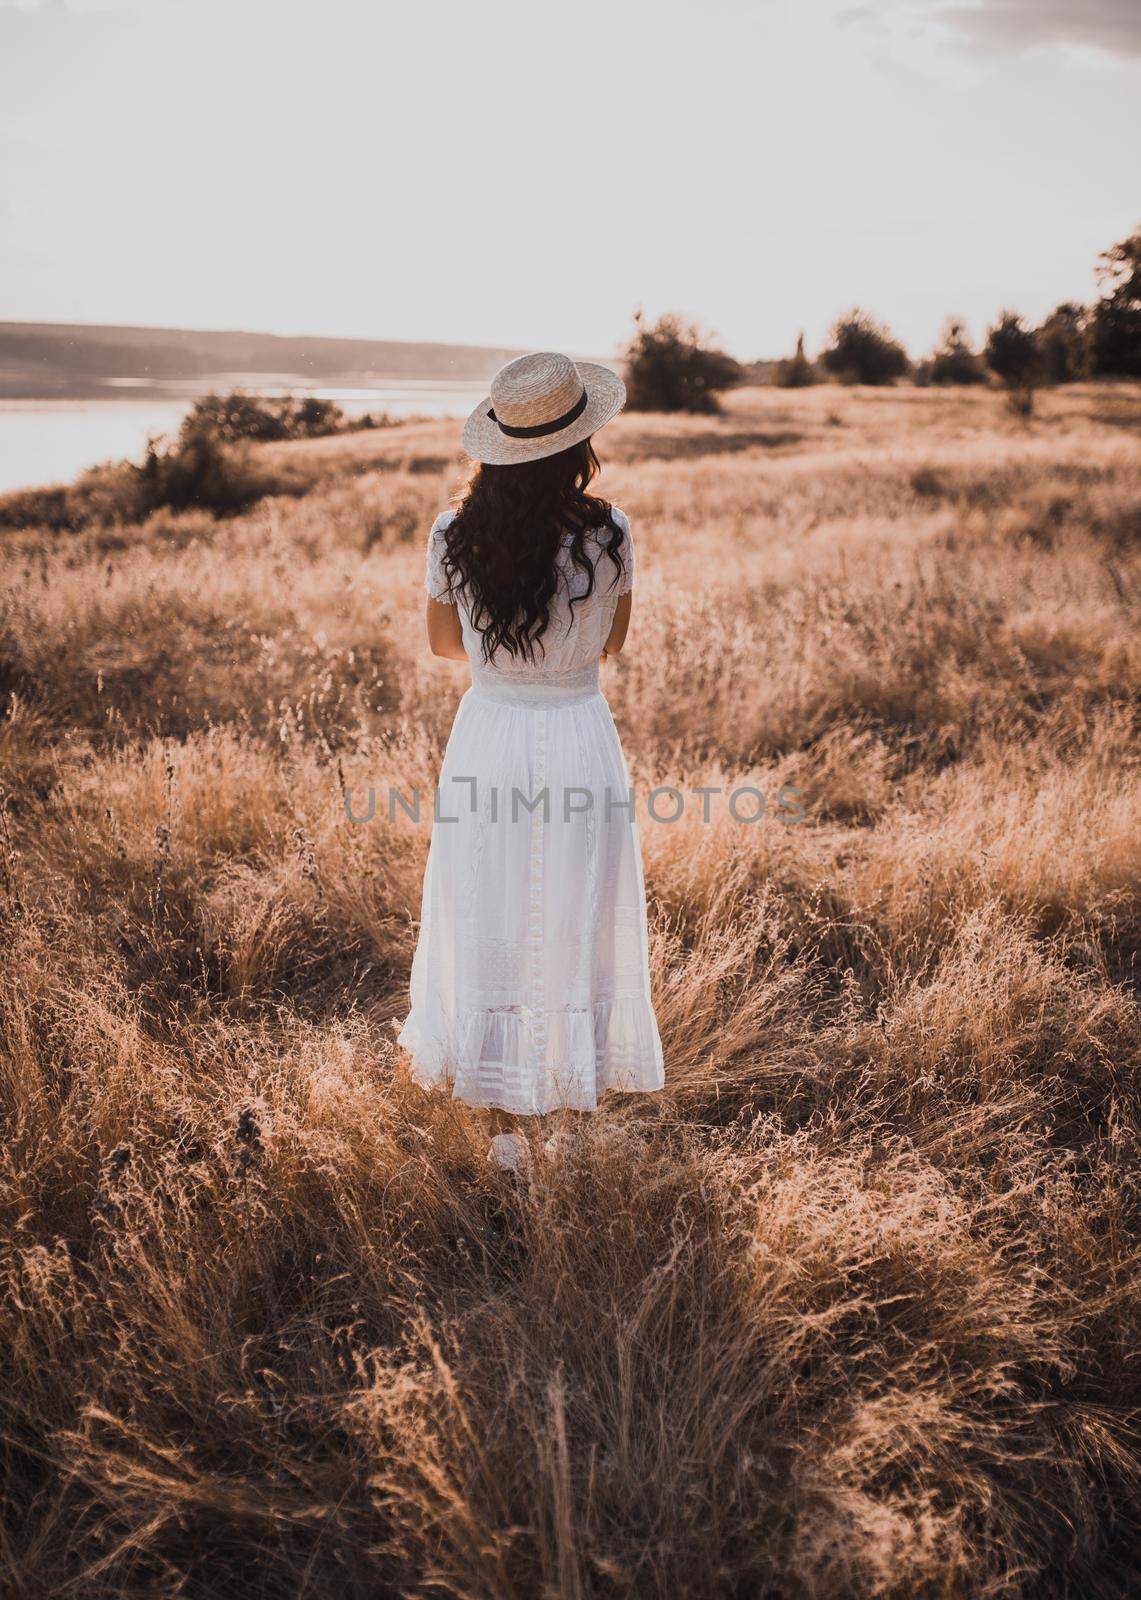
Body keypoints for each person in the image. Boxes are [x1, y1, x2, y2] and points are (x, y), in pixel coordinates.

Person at [396, 351, 664, 1169]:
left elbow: (444, 644)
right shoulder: (606, 529)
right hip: (578, 733)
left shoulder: (454, 531)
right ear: (577, 444)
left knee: (488, 907)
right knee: (577, 911)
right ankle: (569, 1125)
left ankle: (501, 1129)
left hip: (491, 735)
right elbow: (612, 643)